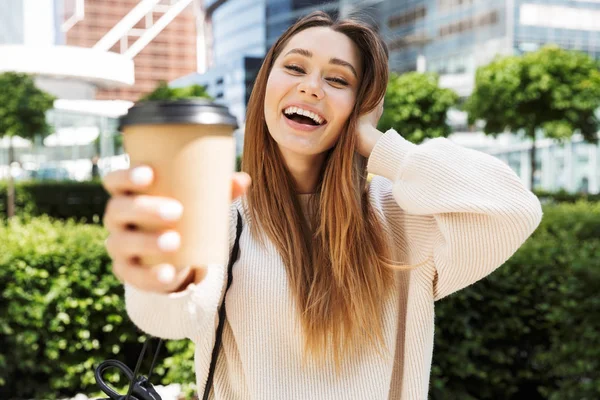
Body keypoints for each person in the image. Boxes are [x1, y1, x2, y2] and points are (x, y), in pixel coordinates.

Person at [102, 11, 543, 400]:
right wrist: (160, 271)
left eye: (338, 80)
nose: (311, 87)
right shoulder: (226, 215)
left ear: (363, 105)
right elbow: (169, 314)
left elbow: (512, 208)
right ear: (265, 87)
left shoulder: (402, 219)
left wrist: (374, 143)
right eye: (294, 67)